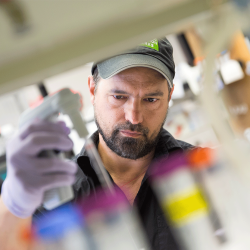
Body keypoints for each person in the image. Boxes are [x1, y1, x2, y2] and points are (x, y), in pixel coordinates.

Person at [0, 38, 194, 250]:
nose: (134, 117)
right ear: (92, 89)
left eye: (150, 100)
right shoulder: (54, 195)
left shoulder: (204, 170)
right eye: (119, 96)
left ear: (169, 96)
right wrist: (13, 204)